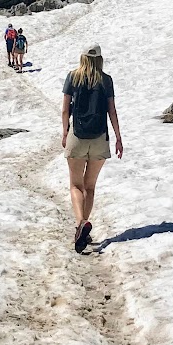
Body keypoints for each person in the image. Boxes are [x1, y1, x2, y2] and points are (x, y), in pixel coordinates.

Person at [62, 44, 123, 252]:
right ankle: (84, 227)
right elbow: (112, 111)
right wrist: (118, 138)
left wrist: (64, 133)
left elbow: (64, 110)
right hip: (100, 137)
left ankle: (80, 223)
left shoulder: (73, 77)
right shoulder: (106, 80)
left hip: (77, 136)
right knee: (90, 187)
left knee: (75, 185)